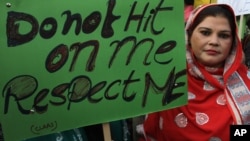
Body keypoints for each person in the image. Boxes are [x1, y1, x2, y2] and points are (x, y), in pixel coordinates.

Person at [136, 4, 250, 141]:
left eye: (224, 35)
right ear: (189, 35)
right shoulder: (165, 81)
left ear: (233, 42)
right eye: (205, 32)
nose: (214, 41)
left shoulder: (246, 83)